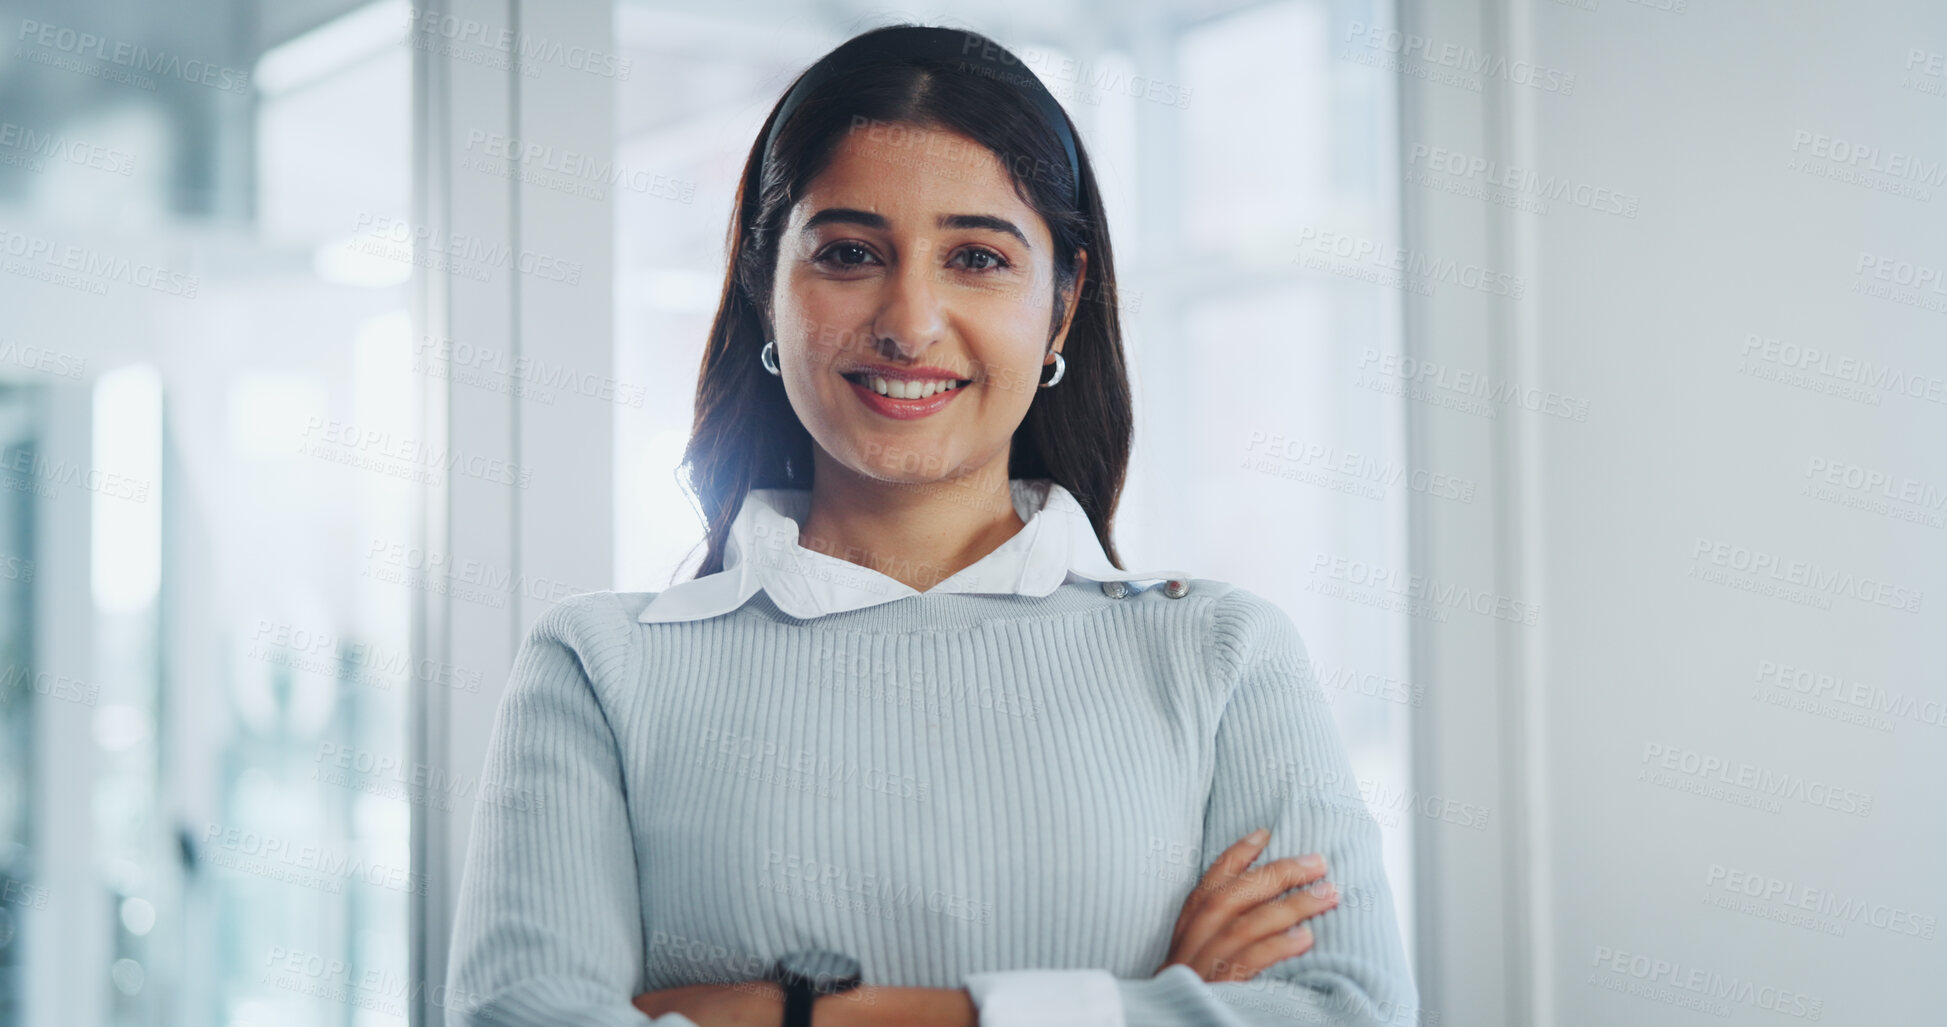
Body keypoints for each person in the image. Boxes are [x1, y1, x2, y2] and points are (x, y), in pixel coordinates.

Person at [444, 22, 1419, 1027]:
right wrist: (1137, 1008)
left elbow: (1346, 1014)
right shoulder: (600, 669)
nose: (910, 321)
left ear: (1064, 302)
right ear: (763, 287)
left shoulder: (1221, 655)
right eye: (851, 253)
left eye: (976, 257)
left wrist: (803, 1014)